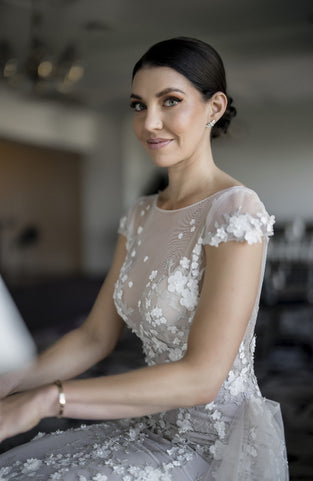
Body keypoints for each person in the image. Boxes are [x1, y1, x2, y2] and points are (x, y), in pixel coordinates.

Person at [0, 37, 289, 480]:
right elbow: (95, 336)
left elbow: (201, 378)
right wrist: (14, 382)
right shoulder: (139, 215)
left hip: (211, 444)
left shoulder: (234, 210)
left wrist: (48, 399)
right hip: (148, 423)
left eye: (170, 101)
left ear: (214, 108)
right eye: (139, 105)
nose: (150, 122)